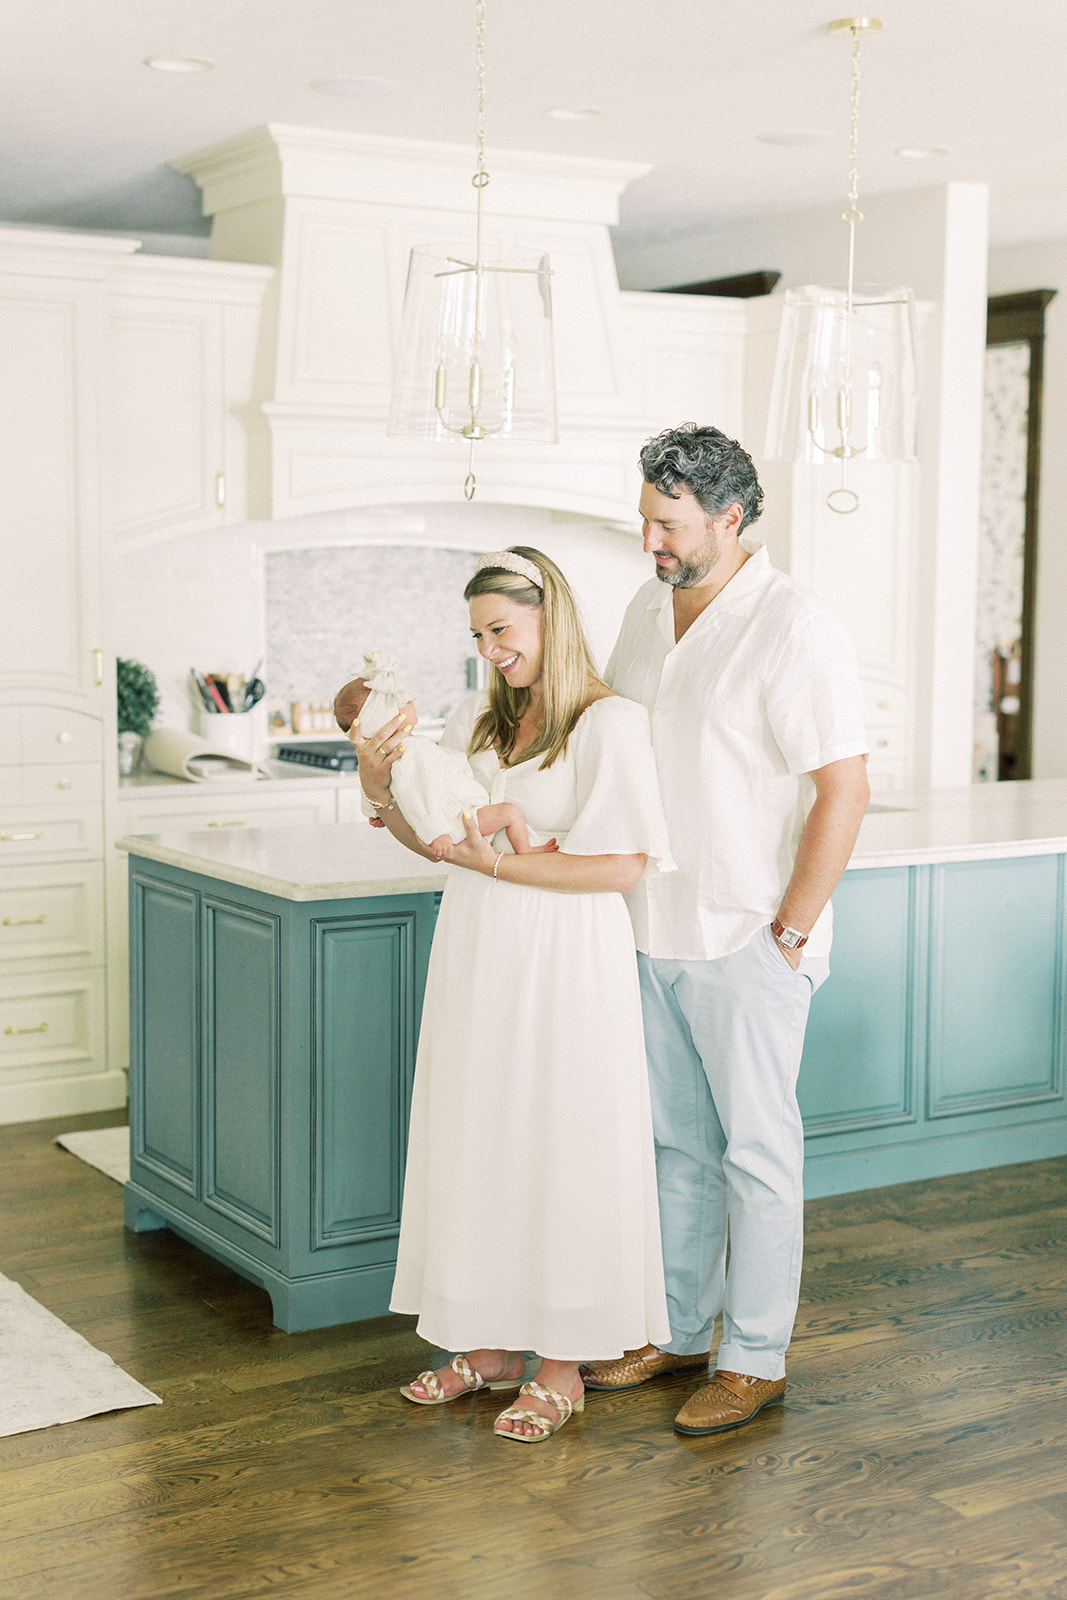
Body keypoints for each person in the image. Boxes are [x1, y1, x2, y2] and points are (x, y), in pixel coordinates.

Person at [581, 423, 870, 1438]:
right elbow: (606, 736)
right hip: (648, 922)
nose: (647, 536)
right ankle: (674, 1326)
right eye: (645, 516)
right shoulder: (641, 607)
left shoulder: (792, 624)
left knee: (756, 1154)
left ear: (728, 517)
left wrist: (788, 929)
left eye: (666, 521)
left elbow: (842, 787)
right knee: (674, 1147)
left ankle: (753, 1358)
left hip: (747, 935)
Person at [350, 546, 674, 1442]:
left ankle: (562, 1364)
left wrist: (503, 857)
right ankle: (488, 1347)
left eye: (501, 629)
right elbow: (434, 843)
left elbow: (623, 866)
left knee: (558, 1139)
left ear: (550, 618)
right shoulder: (478, 722)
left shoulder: (609, 724)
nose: (488, 648)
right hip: (479, 947)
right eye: (477, 634)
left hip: (566, 956)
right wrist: (381, 781)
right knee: (480, 1133)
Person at [334, 649, 545, 860]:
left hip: (455, 820)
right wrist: (436, 833)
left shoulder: (398, 754)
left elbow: (392, 786)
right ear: (390, 713)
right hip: (456, 821)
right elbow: (419, 795)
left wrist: (375, 810)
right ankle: (526, 851)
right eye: (405, 700)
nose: (411, 702)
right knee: (510, 813)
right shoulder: (411, 752)